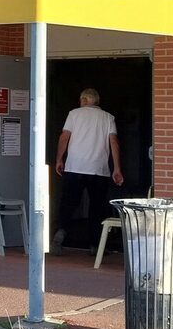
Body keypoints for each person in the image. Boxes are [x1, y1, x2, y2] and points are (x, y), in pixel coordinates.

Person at [52, 88, 124, 255]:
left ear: (84, 100)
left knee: (68, 203)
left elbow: (64, 137)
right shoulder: (108, 117)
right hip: (99, 169)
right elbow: (114, 142)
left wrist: (59, 159)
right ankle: (96, 245)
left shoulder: (74, 114)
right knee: (97, 207)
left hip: (75, 166)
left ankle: (60, 234)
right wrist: (117, 168)